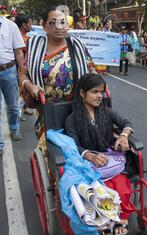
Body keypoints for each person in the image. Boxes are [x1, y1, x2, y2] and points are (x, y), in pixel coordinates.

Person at [65, 74, 136, 235]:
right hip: (89, 164)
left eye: (101, 92)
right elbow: (73, 145)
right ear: (82, 93)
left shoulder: (106, 112)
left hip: (110, 158)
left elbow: (126, 122)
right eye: (94, 92)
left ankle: (122, 217)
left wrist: (124, 136)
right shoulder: (72, 119)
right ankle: (106, 223)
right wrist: (89, 155)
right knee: (100, 192)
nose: (99, 96)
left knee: (121, 186)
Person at [19, 6, 94, 154]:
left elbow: (92, 74)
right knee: (53, 154)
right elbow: (22, 74)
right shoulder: (34, 47)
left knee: (79, 151)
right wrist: (30, 86)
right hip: (47, 112)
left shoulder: (77, 46)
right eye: (53, 23)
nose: (59, 27)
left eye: (62, 22)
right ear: (44, 25)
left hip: (77, 110)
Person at [0, 10, 26, 156]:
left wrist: (21, 72)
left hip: (9, 70)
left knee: (13, 105)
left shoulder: (10, 26)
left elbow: (18, 52)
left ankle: (14, 127)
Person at [15, 13, 34, 119]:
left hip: (26, 70)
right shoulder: (18, 38)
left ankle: (24, 108)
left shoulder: (28, 38)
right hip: (19, 71)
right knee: (19, 92)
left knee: (25, 92)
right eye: (30, 24)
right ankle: (16, 116)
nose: (32, 26)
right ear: (24, 25)